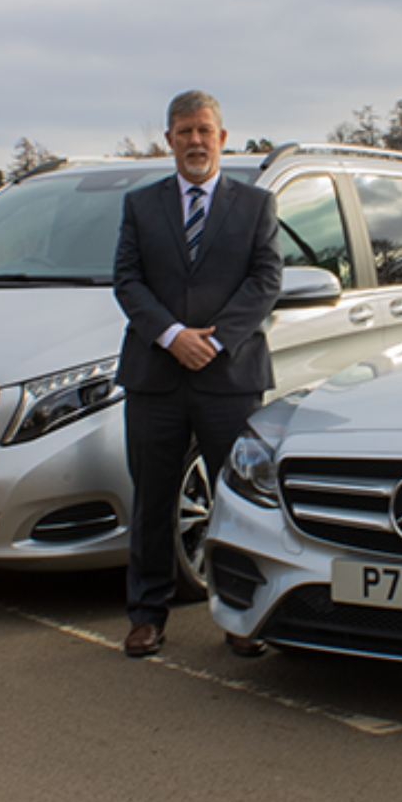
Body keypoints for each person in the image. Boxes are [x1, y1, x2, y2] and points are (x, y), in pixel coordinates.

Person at [113, 90, 282, 658]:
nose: (195, 141)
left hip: (227, 375)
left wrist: (212, 340)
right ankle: (146, 615)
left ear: (222, 138)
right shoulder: (141, 206)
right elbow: (128, 281)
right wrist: (171, 336)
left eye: (204, 130)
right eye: (183, 132)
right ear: (168, 140)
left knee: (239, 503)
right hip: (154, 376)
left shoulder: (256, 205)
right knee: (153, 500)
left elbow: (266, 280)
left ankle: (241, 618)